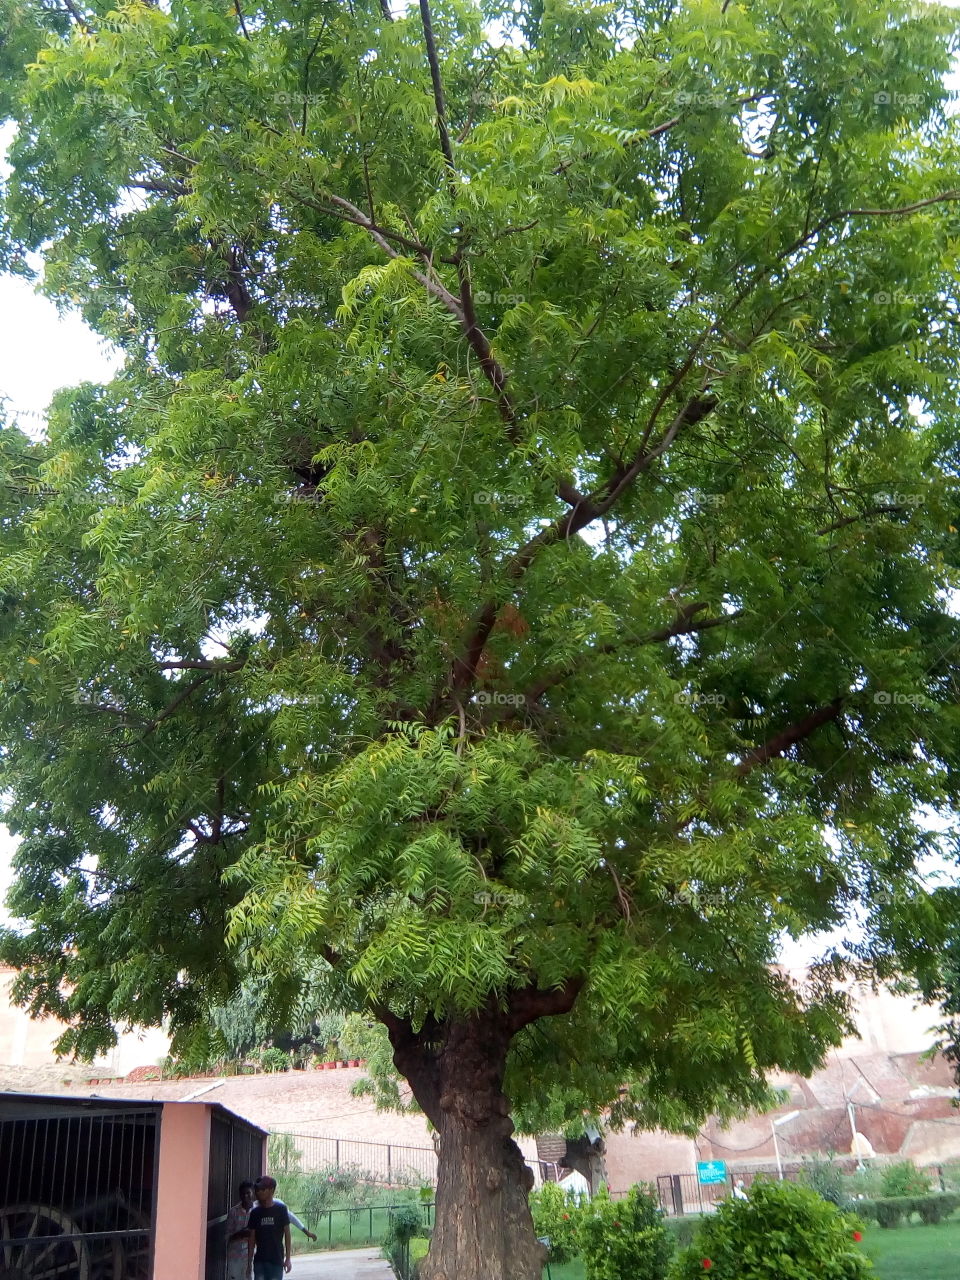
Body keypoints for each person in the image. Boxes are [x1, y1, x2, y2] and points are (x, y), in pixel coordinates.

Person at [247, 1175, 292, 1278]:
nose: (259, 1192)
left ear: (271, 1190)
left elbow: (287, 1235)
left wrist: (288, 1259)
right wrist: (249, 1262)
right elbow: (252, 1239)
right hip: (260, 1261)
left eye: (263, 1189)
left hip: (276, 1260)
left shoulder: (281, 1209)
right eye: (258, 1189)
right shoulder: (255, 1212)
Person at [225, 1181, 255, 1280]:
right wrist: (241, 1234)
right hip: (235, 1257)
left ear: (253, 1193)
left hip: (250, 1258)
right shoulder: (233, 1212)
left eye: (248, 1193)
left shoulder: (257, 1212)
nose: (245, 1196)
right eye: (243, 1194)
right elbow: (227, 1237)